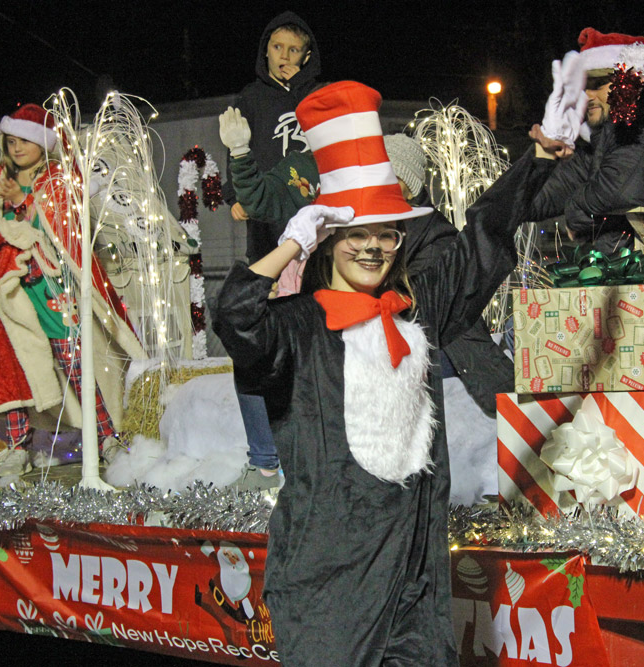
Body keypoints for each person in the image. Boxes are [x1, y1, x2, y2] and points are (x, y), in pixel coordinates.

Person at [213, 81, 554, 665]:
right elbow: (234, 318)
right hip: (328, 591)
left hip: (412, 583)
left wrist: (537, 162)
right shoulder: (297, 326)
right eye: (356, 235)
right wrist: (290, 245)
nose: (373, 248)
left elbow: (485, 236)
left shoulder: (418, 309)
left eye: (386, 234)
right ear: (328, 239)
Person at [219, 118, 514, 417]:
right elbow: (238, 313)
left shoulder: (433, 237)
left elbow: (412, 310)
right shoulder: (353, 227)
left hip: (443, 353)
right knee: (259, 366)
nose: (372, 246)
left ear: (408, 190)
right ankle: (266, 460)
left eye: (386, 179)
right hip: (371, 350)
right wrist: (294, 244)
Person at [0, 103, 145, 474]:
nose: (17, 148)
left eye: (24, 141)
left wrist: (22, 202)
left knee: (76, 362)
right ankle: (18, 445)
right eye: (12, 141)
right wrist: (0, 205)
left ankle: (105, 437)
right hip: (13, 293)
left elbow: (67, 226)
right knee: (13, 368)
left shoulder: (57, 180)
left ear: (42, 144)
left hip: (54, 287)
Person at [223, 11, 320, 488]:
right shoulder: (252, 98)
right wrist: (236, 197)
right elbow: (237, 150)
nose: (285, 57)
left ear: (307, 56)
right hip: (268, 231)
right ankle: (265, 460)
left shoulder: (315, 97)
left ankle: (309, 455)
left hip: (315, 235)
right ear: (266, 50)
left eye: (294, 50)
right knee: (261, 337)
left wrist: (303, 89)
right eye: (278, 48)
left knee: (309, 338)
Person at [529, 28, 644, 255]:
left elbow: (622, 191)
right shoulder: (599, 139)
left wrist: (574, 212)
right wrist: (544, 148)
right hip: (624, 270)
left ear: (628, 82)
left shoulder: (642, 121)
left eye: (598, 84)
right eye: (582, 87)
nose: (587, 96)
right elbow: (542, 197)